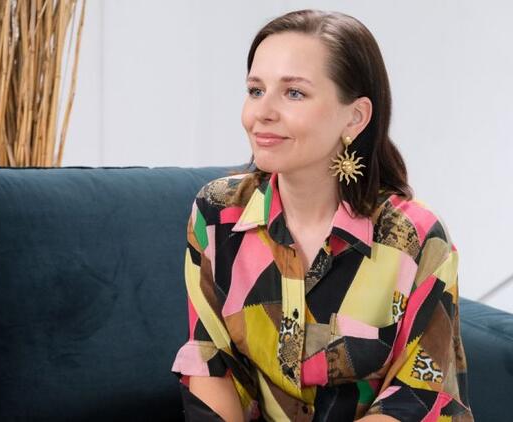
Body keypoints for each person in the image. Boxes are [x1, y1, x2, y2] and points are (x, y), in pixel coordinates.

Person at [171, 9, 473, 422]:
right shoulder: (217, 214)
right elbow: (211, 359)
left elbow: (419, 395)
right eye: (256, 90)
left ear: (355, 117)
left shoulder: (414, 238)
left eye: (294, 93)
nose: (262, 112)